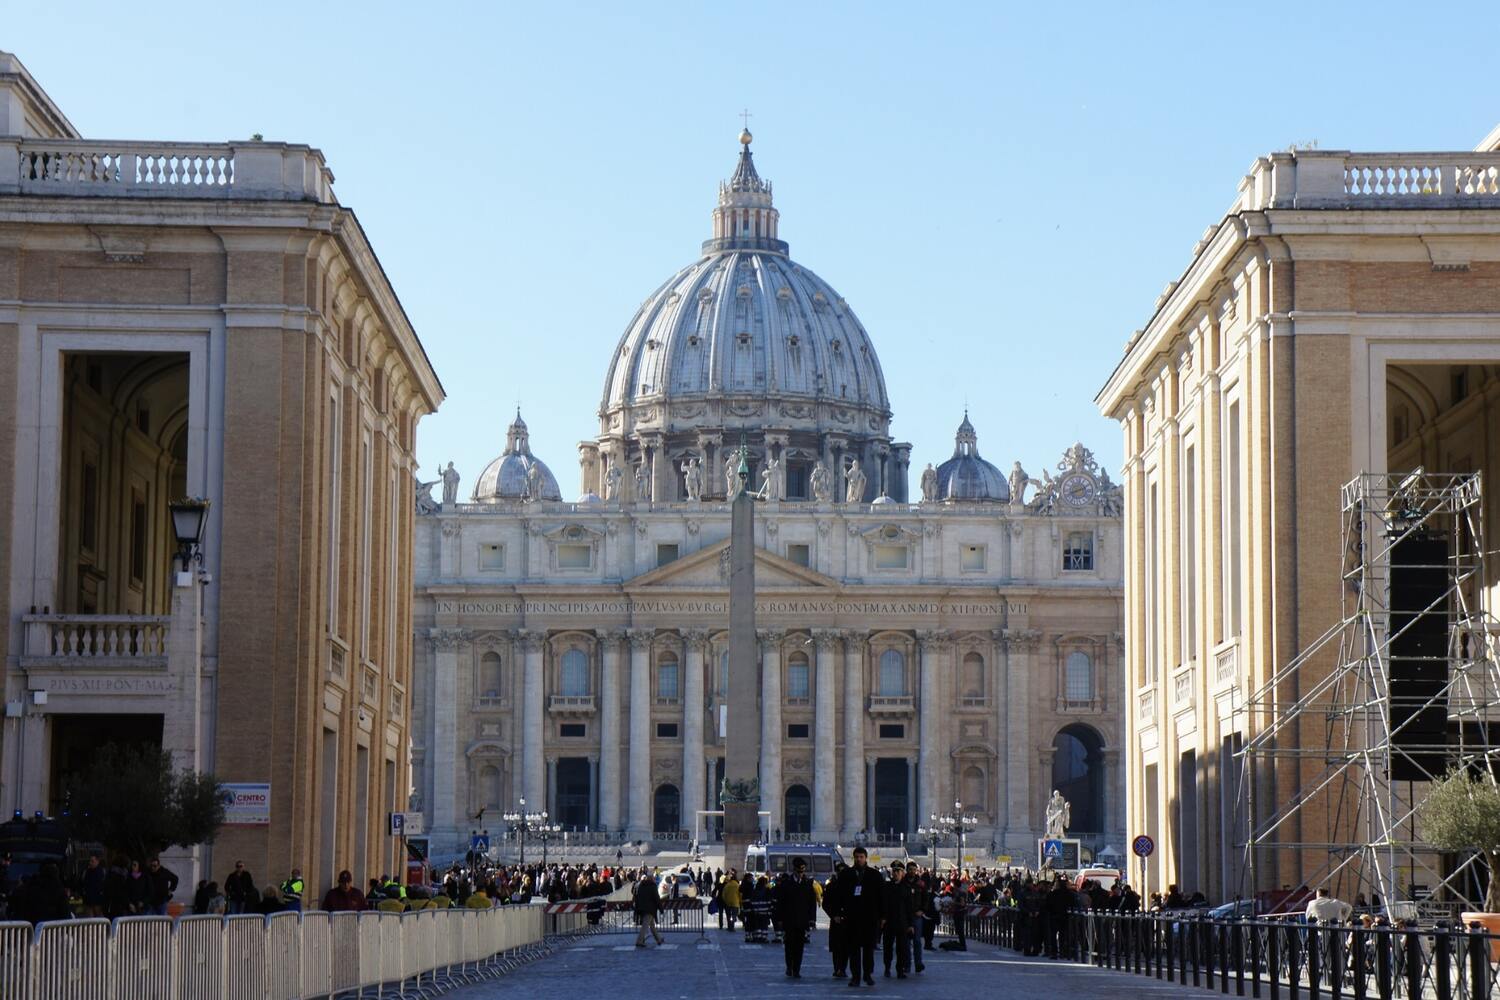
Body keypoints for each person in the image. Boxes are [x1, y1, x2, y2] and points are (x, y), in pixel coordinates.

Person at [826, 846, 883, 987]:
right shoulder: (846, 874)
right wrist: (837, 913)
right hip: (851, 918)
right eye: (857, 857)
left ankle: (868, 975)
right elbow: (838, 896)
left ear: (866, 858)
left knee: (869, 949)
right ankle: (855, 976)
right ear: (854, 858)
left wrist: (883, 916)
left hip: (869, 917)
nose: (859, 859)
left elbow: (882, 897)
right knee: (854, 949)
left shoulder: (874, 875)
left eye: (861, 857)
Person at [776, 857, 817, 978]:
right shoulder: (787, 883)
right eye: (799, 872)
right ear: (794, 870)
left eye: (803, 872)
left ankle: (797, 969)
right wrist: (779, 919)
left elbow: (812, 903)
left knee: (800, 946)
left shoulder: (808, 884)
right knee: (789, 946)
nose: (801, 874)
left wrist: (812, 919)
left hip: (802, 921)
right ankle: (789, 967)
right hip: (789, 920)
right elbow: (781, 902)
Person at [880, 862, 914, 978]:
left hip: (902, 922)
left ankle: (900, 969)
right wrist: (883, 918)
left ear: (902, 873)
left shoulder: (906, 888)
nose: (895, 873)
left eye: (898, 871)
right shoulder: (887, 886)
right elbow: (883, 904)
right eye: (894, 871)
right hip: (889, 921)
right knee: (888, 947)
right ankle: (887, 967)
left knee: (902, 948)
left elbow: (910, 907)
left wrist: (910, 924)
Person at [633, 869, 664, 947]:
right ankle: (639, 941)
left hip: (642, 908)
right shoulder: (652, 886)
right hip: (650, 908)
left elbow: (637, 896)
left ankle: (659, 939)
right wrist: (661, 909)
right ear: (651, 878)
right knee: (645, 926)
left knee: (652, 925)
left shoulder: (641, 885)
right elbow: (656, 898)